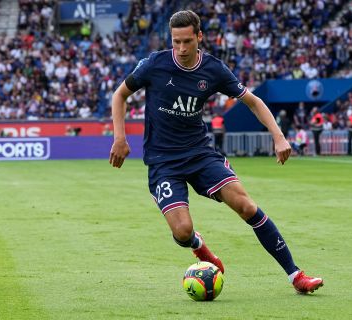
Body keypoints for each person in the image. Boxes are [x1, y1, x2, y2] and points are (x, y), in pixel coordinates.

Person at [109, 10, 323, 294]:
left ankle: (296, 275)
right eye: (176, 42)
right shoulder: (154, 65)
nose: (182, 49)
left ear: (200, 36)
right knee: (182, 232)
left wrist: (279, 137)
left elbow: (254, 101)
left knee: (247, 206)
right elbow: (120, 95)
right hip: (163, 162)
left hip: (200, 155)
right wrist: (120, 138)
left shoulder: (213, 70)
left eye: (187, 41)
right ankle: (198, 246)